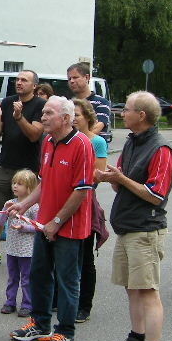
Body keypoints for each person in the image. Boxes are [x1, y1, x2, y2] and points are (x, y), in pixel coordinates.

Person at [96, 91, 172, 341]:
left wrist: (120, 179)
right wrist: (114, 179)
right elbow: (124, 185)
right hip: (128, 227)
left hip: (146, 229)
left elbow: (156, 195)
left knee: (148, 292)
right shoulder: (132, 141)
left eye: (126, 109)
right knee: (132, 287)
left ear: (141, 115)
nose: (121, 112)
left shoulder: (161, 149)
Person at [7, 96, 95, 341]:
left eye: (48, 113)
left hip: (69, 226)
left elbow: (81, 190)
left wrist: (57, 222)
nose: (42, 117)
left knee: (67, 279)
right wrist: (23, 205)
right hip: (44, 224)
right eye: (43, 113)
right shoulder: (47, 141)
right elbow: (44, 183)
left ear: (65, 119)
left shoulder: (82, 145)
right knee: (39, 274)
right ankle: (40, 323)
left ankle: (65, 331)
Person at [0, 70, 44, 262]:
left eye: (24, 80)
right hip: (4, 164)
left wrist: (18, 117)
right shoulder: (7, 102)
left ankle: (30, 252)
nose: (19, 82)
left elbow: (34, 135)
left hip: (28, 168)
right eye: (17, 79)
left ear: (34, 86)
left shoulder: (40, 105)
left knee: (28, 210)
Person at [73, 98, 109, 324]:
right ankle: (60, 298)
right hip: (62, 201)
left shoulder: (96, 142)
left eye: (77, 115)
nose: (73, 119)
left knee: (85, 257)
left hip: (85, 202)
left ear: (87, 117)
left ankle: (84, 305)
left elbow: (98, 176)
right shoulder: (62, 140)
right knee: (62, 256)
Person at [0, 169, 40, 317]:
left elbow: (38, 227)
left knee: (27, 279)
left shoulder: (33, 207)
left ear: (29, 188)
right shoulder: (11, 203)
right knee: (12, 277)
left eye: (20, 184)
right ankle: (10, 302)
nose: (15, 186)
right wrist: (4, 209)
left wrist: (24, 227)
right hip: (12, 249)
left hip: (27, 251)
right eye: (14, 183)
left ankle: (27, 304)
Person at [67, 62, 112, 143]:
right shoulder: (68, 104)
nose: (72, 81)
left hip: (94, 149)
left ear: (87, 77)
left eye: (75, 77)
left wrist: (75, 142)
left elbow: (97, 128)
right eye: (69, 79)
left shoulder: (101, 102)